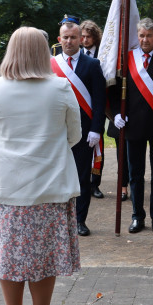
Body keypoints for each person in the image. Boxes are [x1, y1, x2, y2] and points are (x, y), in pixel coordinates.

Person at [0, 27, 82, 305]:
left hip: (8, 188)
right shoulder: (61, 87)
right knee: (46, 255)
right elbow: (74, 135)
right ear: (43, 53)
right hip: (50, 187)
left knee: (8, 256)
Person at [109, 17, 153, 234]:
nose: (145, 40)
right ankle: (137, 216)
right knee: (135, 175)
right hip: (133, 127)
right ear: (137, 37)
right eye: (141, 35)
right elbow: (113, 91)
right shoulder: (128, 59)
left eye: (149, 35)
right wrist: (115, 115)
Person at [53, 20, 106, 236]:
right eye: (65, 37)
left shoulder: (92, 65)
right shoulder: (51, 64)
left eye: (73, 37)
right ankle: (59, 221)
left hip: (85, 133)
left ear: (80, 39)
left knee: (82, 178)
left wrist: (97, 129)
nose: (69, 41)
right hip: (56, 132)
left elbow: (99, 100)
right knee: (57, 177)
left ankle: (79, 220)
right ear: (59, 40)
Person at [79, 20, 108, 198]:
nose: (85, 40)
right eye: (83, 36)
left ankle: (95, 184)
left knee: (98, 147)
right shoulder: (76, 53)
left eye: (89, 36)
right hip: (79, 107)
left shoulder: (103, 54)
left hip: (97, 106)